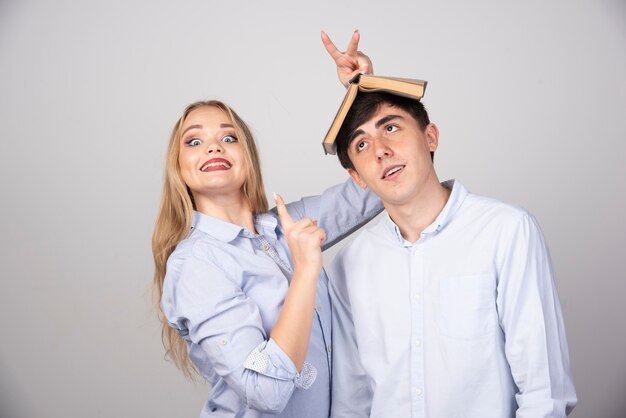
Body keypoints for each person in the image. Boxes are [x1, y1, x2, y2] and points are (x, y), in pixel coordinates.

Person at [323, 66, 578, 415]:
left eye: (391, 128)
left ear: (431, 138)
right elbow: (351, 399)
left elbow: (544, 392)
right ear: (357, 177)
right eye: (362, 144)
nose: (380, 150)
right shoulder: (348, 265)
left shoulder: (506, 231)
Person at [151, 32, 381, 418]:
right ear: (179, 167)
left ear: (247, 156)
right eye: (194, 142)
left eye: (229, 137)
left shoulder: (282, 226)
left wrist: (368, 93)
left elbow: (381, 184)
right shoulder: (195, 265)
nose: (213, 147)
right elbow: (266, 392)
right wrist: (306, 271)